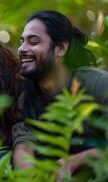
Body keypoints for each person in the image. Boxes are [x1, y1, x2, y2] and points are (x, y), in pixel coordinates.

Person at [12, 10, 108, 179]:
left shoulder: (97, 83)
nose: (21, 49)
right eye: (22, 42)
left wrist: (76, 161)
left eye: (33, 42)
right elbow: (24, 149)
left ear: (61, 48)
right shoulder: (25, 97)